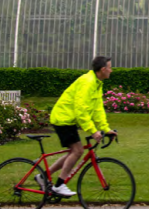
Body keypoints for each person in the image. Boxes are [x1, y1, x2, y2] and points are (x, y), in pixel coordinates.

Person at [46, 56, 117, 197]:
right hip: (63, 118)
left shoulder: (97, 83)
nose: (111, 70)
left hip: (68, 119)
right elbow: (81, 110)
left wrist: (105, 128)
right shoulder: (88, 83)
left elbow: (98, 110)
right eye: (109, 67)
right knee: (77, 151)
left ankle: (44, 176)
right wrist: (93, 131)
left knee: (73, 151)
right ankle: (59, 186)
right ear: (103, 69)